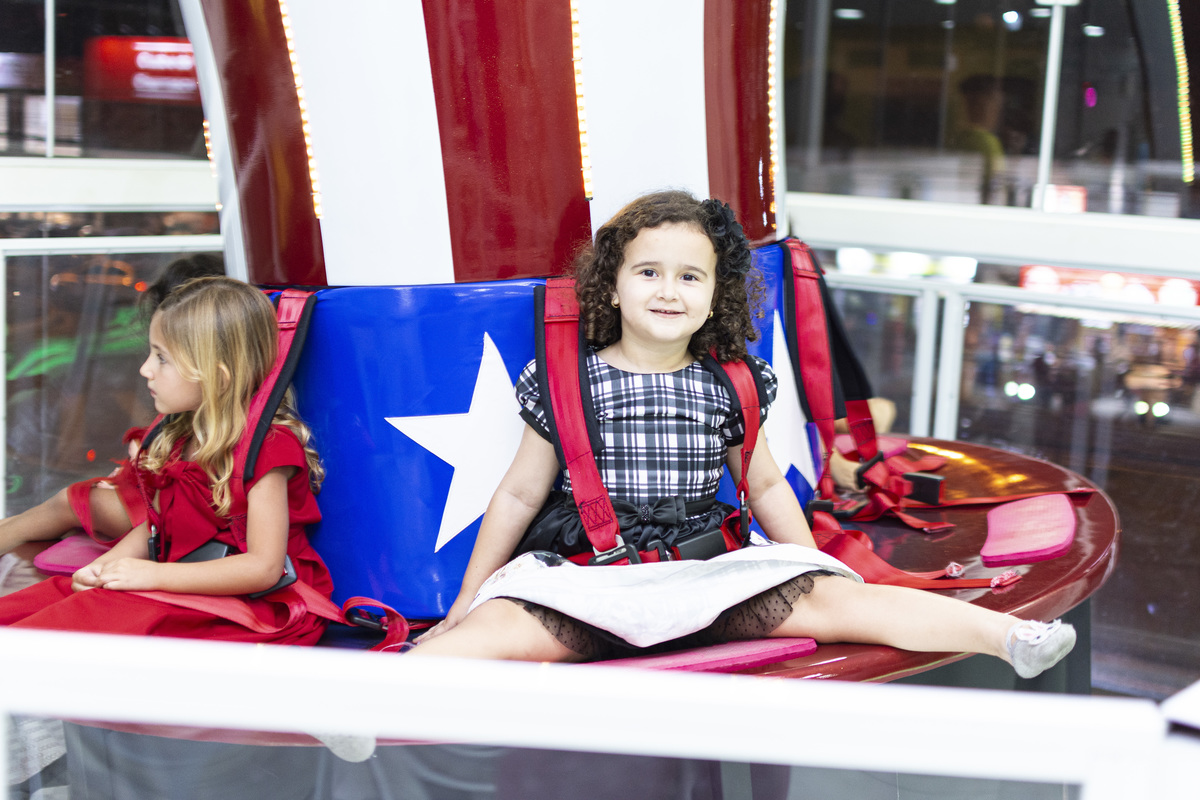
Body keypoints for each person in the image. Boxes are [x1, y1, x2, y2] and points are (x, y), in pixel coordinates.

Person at [412, 190, 1075, 679]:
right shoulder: (565, 381)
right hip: (594, 582)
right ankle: (376, 701)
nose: (668, 290)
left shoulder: (732, 382)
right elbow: (518, 495)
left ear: (713, 298)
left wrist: (817, 566)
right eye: (648, 272)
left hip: (707, 576)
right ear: (610, 287)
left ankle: (1009, 636)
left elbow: (764, 485)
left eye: (689, 277)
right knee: (495, 629)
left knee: (845, 603)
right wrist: (469, 597)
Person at [0, 276, 333, 645]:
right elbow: (154, 526)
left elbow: (263, 569)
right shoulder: (181, 435)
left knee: (57, 630)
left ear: (216, 376)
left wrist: (151, 576)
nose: (145, 369)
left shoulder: (268, 447)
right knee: (35, 604)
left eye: (161, 358)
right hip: (179, 584)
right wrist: (103, 568)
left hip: (251, 606)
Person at [0, 253, 225, 562]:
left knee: (70, 500)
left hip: (173, 512)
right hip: (158, 498)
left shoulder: (220, 413)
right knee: (60, 503)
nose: (146, 369)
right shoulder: (192, 398)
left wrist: (146, 461)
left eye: (162, 356)